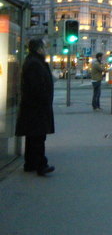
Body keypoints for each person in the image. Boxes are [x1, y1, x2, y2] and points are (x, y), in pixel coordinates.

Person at [15, 38, 55, 176]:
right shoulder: (35, 63)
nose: (46, 49)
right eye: (44, 47)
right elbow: (37, 87)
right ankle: (41, 165)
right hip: (36, 108)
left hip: (33, 107)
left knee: (33, 137)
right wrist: (44, 100)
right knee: (38, 137)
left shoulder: (34, 61)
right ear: (39, 49)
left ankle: (30, 164)